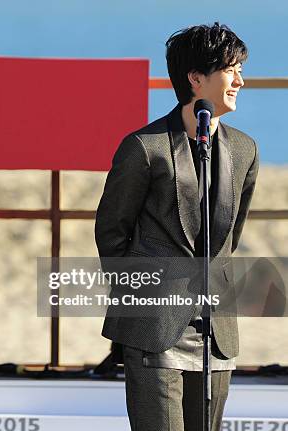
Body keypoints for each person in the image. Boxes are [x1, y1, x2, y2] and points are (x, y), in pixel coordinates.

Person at [95, 23, 258, 431]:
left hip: (216, 334)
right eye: (230, 69)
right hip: (153, 331)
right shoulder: (143, 148)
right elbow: (112, 233)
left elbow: (230, 236)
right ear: (196, 78)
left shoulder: (245, 149)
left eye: (240, 68)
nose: (239, 80)